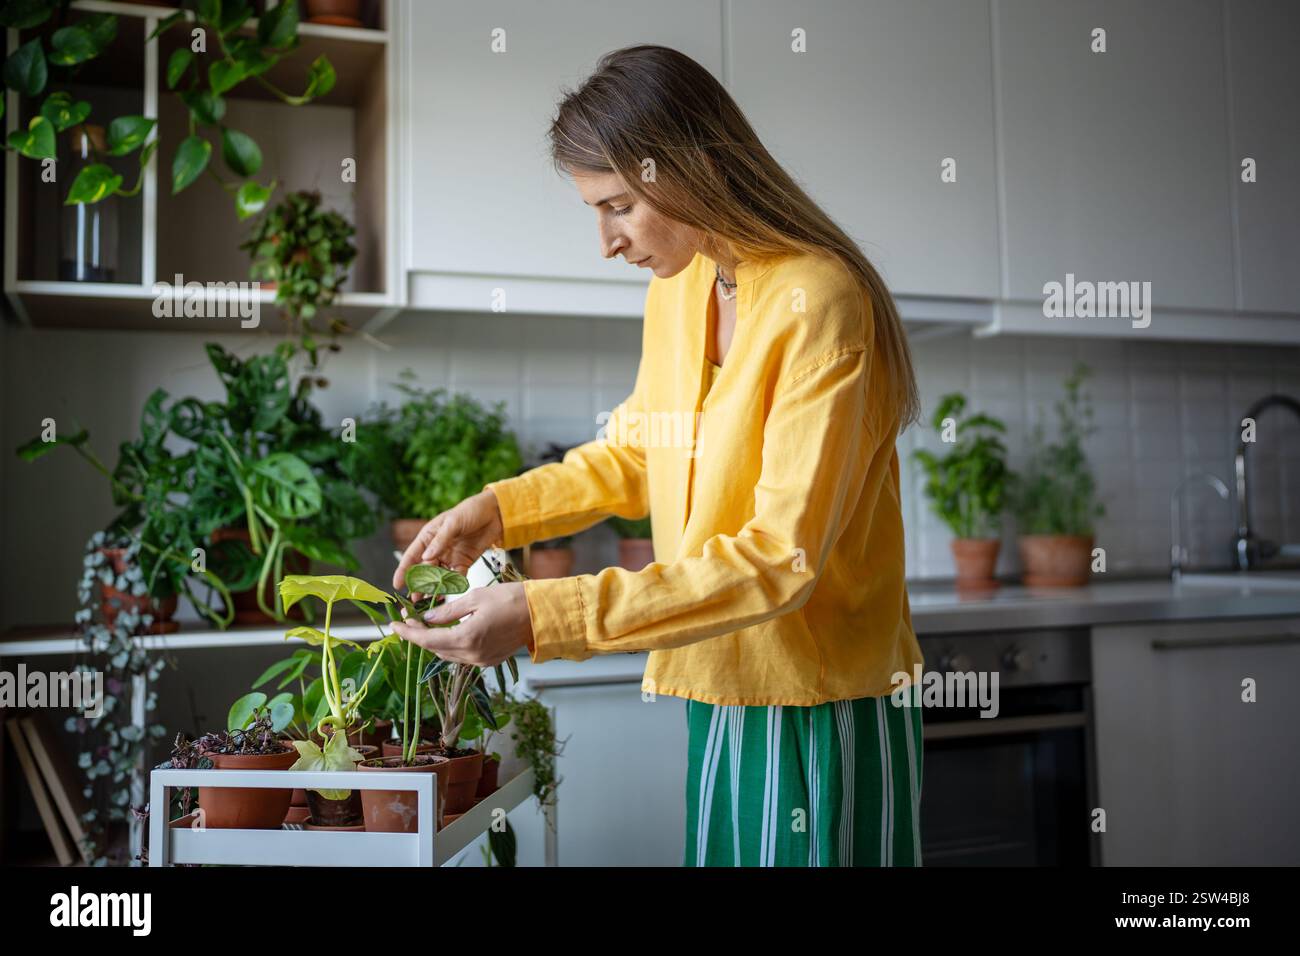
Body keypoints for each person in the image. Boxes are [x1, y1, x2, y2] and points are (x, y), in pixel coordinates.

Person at [391, 44, 926, 867]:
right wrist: (500, 511)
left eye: (617, 207)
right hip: (720, 678)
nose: (607, 243)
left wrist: (544, 616)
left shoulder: (820, 301)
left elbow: (778, 561)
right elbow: (641, 454)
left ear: (688, 170)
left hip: (822, 697)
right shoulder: (682, 287)